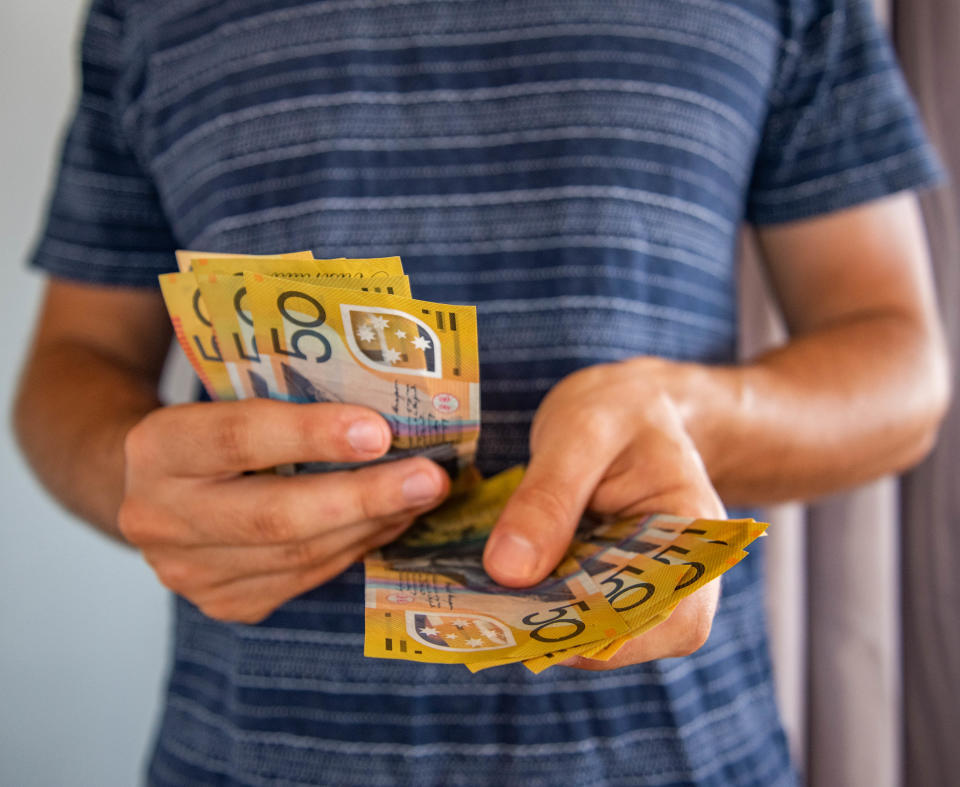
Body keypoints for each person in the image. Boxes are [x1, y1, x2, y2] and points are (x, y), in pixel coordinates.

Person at [14, 0, 951, 784]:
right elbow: (74, 358)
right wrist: (133, 482)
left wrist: (687, 411)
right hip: (241, 750)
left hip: (679, 751)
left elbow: (901, 364)